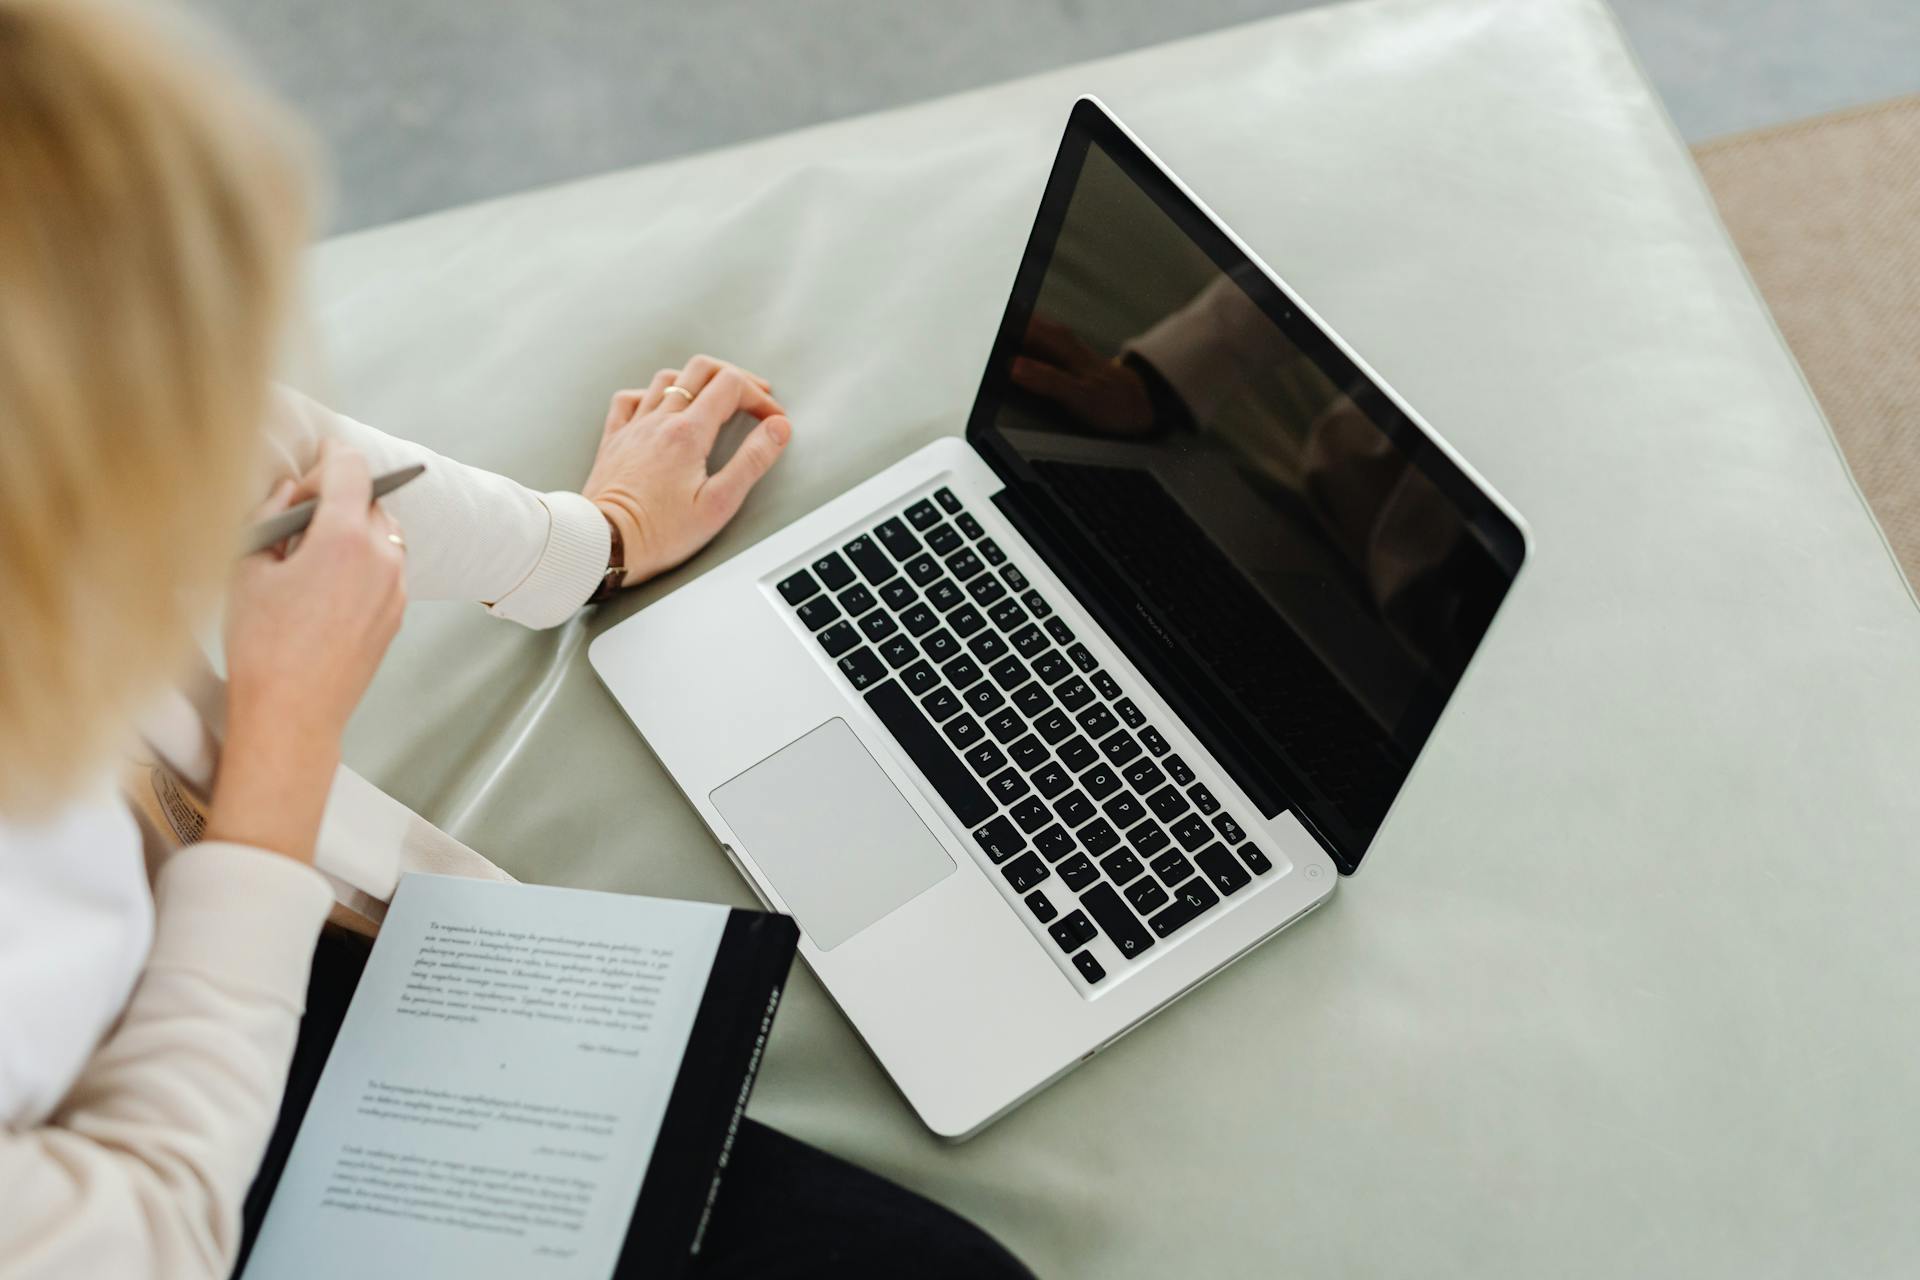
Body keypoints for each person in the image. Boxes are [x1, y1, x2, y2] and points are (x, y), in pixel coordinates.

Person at [0, 2, 1032, 1277]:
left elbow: (228, 430)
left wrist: (582, 543)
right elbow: (145, 1232)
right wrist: (286, 735)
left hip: (221, 964)